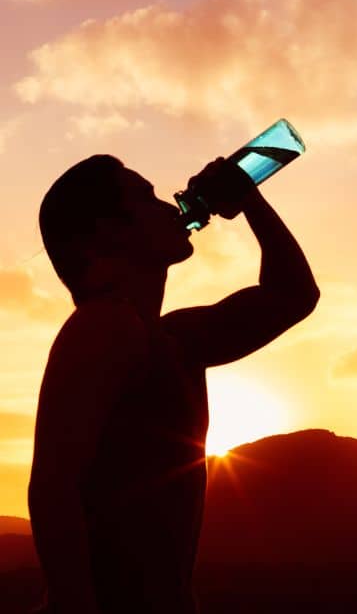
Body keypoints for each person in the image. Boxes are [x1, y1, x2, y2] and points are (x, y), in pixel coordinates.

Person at [28, 154, 320, 614]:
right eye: (146, 197)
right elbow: (53, 489)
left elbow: (293, 295)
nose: (169, 206)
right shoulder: (104, 327)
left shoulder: (171, 339)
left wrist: (249, 198)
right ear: (107, 231)